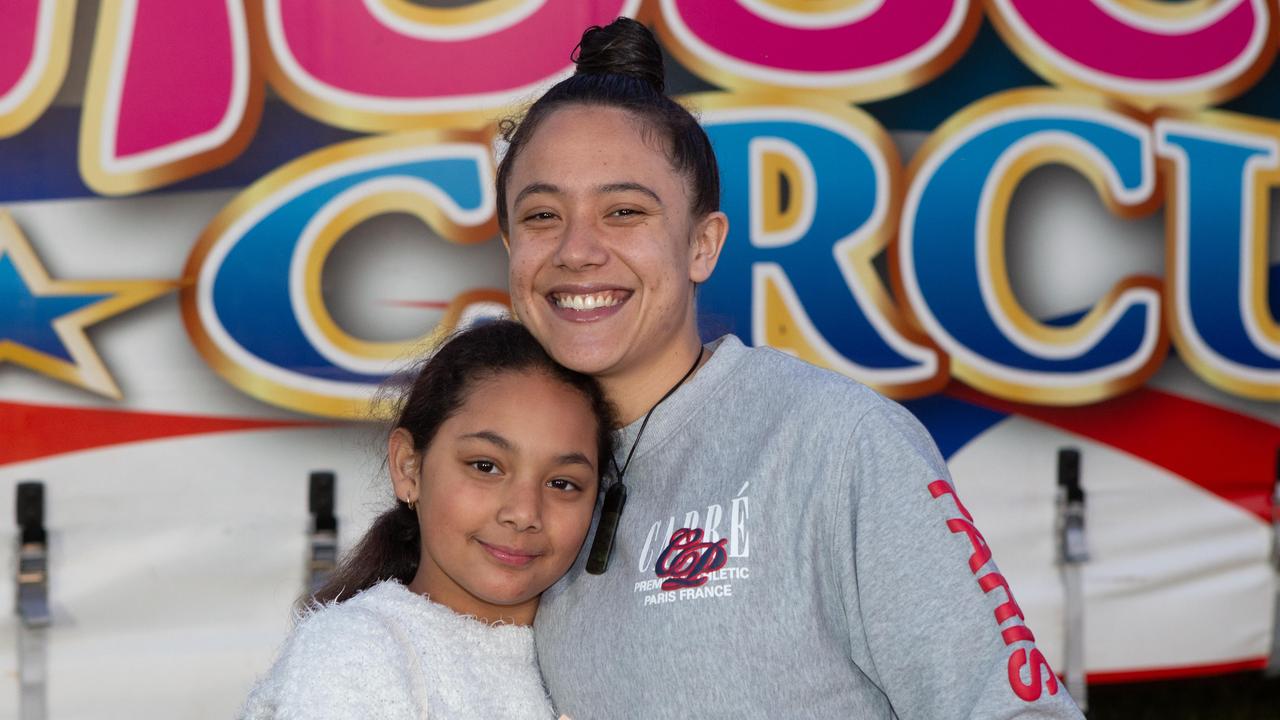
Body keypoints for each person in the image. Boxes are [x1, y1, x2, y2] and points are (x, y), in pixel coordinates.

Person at [499, 17, 1084, 719]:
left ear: (702, 245)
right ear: (507, 244)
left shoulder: (836, 442)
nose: (577, 250)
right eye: (541, 216)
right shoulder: (512, 475)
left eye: (624, 211)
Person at [240, 320, 615, 719]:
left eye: (562, 483)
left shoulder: (596, 659)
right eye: (485, 466)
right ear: (408, 467)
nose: (523, 513)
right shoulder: (356, 650)